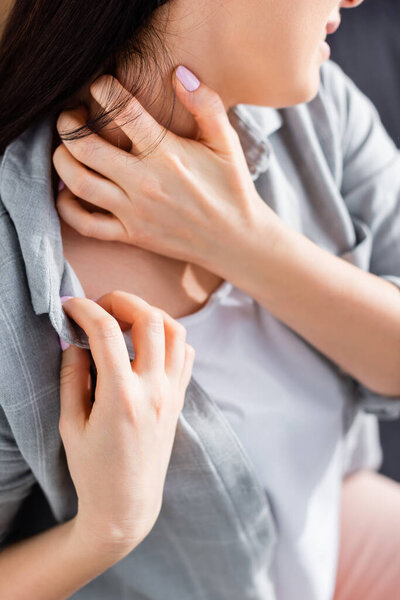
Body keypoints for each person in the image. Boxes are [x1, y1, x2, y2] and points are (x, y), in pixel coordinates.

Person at [1, 1, 400, 599]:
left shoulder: (323, 113)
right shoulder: (17, 275)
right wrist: (104, 531)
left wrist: (244, 243)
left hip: (336, 536)